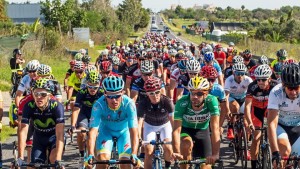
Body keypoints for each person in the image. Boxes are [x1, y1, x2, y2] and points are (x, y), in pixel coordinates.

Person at [85, 76, 141, 169]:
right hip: (106, 132)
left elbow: (134, 131)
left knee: (125, 163)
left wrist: (134, 154)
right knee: (102, 161)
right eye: (110, 96)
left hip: (124, 133)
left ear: (123, 93)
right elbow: (93, 132)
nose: (114, 100)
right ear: (105, 93)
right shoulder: (98, 105)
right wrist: (90, 154)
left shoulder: (129, 104)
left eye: (117, 96)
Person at [172, 76, 220, 169]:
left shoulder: (212, 101)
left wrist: (215, 154)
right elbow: (176, 131)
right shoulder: (182, 102)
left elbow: (215, 129)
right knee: (186, 145)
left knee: (206, 167)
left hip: (202, 131)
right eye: (192, 93)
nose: (194, 97)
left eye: (199, 94)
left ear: (206, 94)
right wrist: (177, 152)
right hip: (186, 130)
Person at [16, 78, 65, 168]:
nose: (39, 97)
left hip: (54, 138)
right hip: (39, 139)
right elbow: (23, 131)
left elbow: (60, 134)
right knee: (34, 166)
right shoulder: (29, 106)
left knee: (54, 160)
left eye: (43, 94)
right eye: (36, 94)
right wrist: (20, 157)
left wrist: (58, 160)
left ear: (49, 95)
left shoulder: (57, 107)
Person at [267, 63, 300, 169]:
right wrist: (275, 152)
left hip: (298, 126)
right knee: (284, 152)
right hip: (281, 126)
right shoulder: (276, 92)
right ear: (283, 85)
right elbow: (271, 124)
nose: (294, 92)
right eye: (290, 88)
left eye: (296, 87)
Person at [244, 64, 276, 169]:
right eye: (258, 80)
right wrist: (249, 123)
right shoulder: (252, 86)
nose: (260, 82)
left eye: (263, 79)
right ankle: (253, 164)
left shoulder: (275, 87)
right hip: (256, 111)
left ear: (269, 78)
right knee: (256, 137)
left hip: (268, 110)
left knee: (273, 133)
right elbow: (247, 106)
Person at [137, 78, 174, 169]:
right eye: (151, 93)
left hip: (165, 125)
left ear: (160, 91)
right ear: (147, 94)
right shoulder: (143, 103)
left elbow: (173, 121)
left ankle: (168, 166)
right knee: (148, 151)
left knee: (168, 147)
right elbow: (139, 122)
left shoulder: (167, 101)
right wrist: (138, 137)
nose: (155, 96)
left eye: (157, 92)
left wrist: (176, 135)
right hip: (150, 126)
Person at [68, 71, 103, 161]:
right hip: (84, 113)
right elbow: (76, 109)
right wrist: (72, 125)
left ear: (99, 85)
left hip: (97, 115)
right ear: (86, 84)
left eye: (95, 87)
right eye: (90, 86)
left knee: (96, 134)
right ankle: (81, 152)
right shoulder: (82, 92)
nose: (92, 89)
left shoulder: (102, 92)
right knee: (81, 133)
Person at [224, 63, 253, 141]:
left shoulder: (248, 80)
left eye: (242, 73)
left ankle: (246, 149)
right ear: (233, 73)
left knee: (246, 123)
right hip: (232, 97)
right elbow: (226, 97)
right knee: (235, 108)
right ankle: (230, 127)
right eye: (237, 73)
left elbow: (253, 96)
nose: (240, 76)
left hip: (243, 98)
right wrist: (227, 110)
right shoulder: (229, 80)